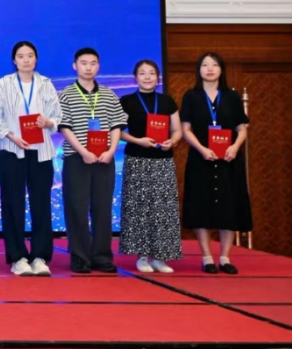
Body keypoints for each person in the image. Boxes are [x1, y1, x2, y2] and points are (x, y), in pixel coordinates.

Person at [0, 41, 62, 276]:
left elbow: (57, 116)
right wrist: (12, 136)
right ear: (14, 60)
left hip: (41, 152)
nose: (26, 60)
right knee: (12, 205)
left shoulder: (46, 84)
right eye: (21, 56)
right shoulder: (4, 84)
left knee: (41, 205)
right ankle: (18, 257)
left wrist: (48, 122)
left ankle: (40, 257)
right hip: (12, 150)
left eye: (30, 55)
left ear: (36, 59)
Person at [57, 47, 128, 274]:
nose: (88, 67)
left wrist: (111, 151)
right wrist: (83, 152)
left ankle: (102, 257)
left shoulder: (109, 94)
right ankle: (80, 257)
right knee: (76, 208)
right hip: (77, 159)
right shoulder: (66, 94)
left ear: (98, 66)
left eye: (93, 63)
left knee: (102, 208)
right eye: (84, 63)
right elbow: (64, 127)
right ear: (75, 66)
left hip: (104, 159)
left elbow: (116, 126)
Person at [180, 52, 251, 275]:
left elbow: (242, 128)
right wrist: (202, 149)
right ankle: (207, 257)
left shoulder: (232, 96)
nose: (209, 69)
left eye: (214, 65)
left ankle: (225, 257)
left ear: (221, 69)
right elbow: (185, 129)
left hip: (228, 159)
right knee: (201, 205)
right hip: (201, 159)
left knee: (229, 206)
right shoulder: (191, 96)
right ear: (198, 70)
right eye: (205, 65)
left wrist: (235, 147)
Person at [118, 59, 183, 273]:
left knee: (163, 208)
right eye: (143, 73)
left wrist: (172, 142)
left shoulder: (167, 101)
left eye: (152, 73)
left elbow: (177, 130)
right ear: (135, 77)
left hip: (163, 161)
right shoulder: (127, 101)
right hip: (137, 158)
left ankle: (160, 257)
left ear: (158, 78)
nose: (147, 77)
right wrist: (138, 140)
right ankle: (142, 256)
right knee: (139, 207)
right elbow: (118, 131)